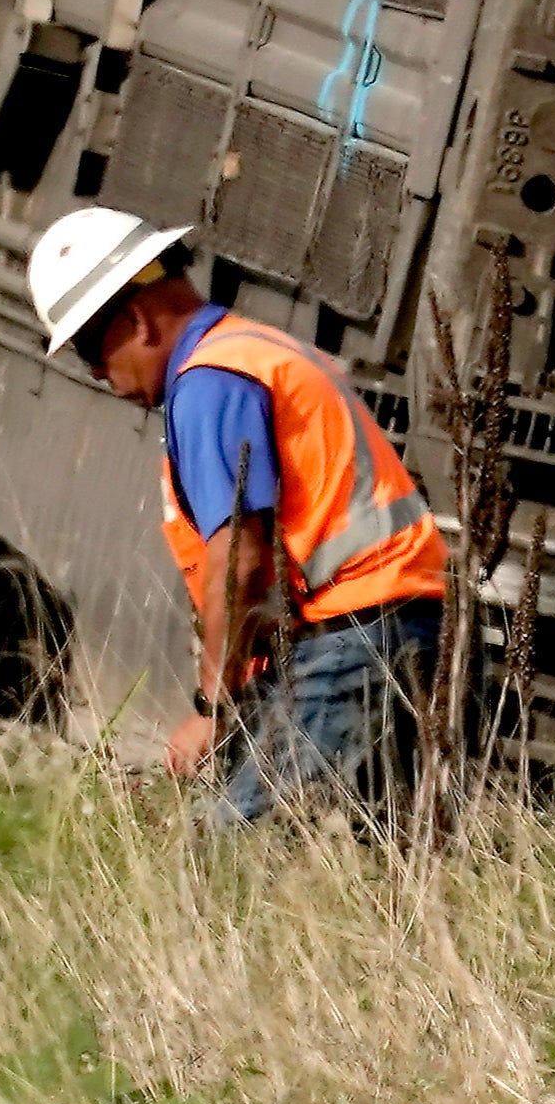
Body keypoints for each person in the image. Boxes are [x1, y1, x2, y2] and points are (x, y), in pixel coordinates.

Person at [26, 205, 449, 821]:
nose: (100, 376)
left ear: (137, 321)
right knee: (382, 852)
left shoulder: (209, 383)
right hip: (397, 626)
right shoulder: (255, 350)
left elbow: (241, 560)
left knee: (235, 856)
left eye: (92, 351)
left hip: (357, 637)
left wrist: (212, 709)